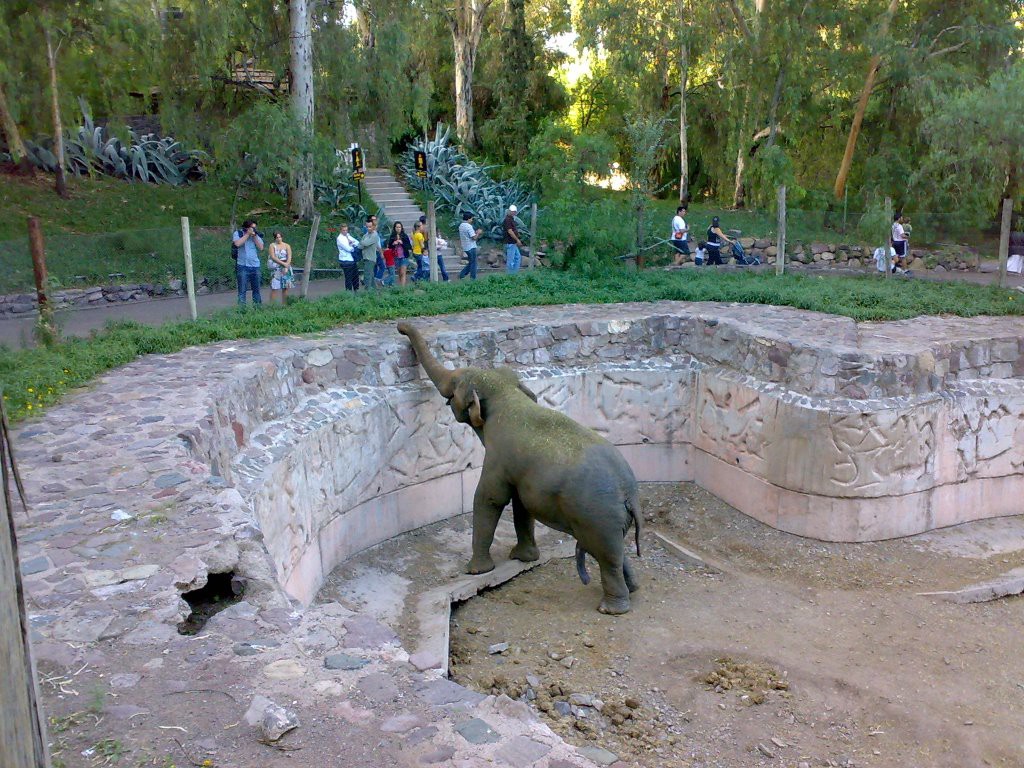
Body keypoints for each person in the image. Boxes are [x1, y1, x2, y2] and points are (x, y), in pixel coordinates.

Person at [232, 218, 264, 305]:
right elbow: (237, 244)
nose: (253, 229)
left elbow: (261, 247)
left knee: (256, 290)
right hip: (242, 266)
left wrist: (254, 236)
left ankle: (257, 309)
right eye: (252, 228)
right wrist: (247, 234)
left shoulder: (256, 235)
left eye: (254, 228)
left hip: (255, 266)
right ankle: (242, 311)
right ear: (246, 227)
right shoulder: (238, 233)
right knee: (242, 290)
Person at [268, 231, 293, 304]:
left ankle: (285, 304)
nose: (279, 239)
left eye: (280, 237)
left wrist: (286, 265)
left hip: (286, 267)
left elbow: (289, 256)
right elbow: (273, 257)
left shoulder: (287, 245)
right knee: (274, 287)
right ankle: (272, 305)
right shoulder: (272, 245)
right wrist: (283, 264)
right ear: (275, 238)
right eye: (277, 237)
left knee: (285, 287)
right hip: (276, 267)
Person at [458, 212, 483, 281]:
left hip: (465, 246)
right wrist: (478, 232)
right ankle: (473, 278)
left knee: (471, 262)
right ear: (468, 219)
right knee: (474, 263)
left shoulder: (461, 225)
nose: (472, 220)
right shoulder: (468, 226)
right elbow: (474, 237)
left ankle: (462, 274)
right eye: (471, 218)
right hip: (471, 246)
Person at [336, 222, 360, 291]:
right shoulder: (340, 238)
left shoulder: (348, 236)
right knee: (348, 278)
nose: (345, 232)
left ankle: (356, 291)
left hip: (352, 259)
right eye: (343, 230)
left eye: (346, 230)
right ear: (340, 230)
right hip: (345, 260)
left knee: (355, 276)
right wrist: (353, 245)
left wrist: (352, 243)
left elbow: (357, 242)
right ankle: (348, 292)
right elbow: (348, 249)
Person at [359, 216, 381, 290]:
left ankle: (367, 293)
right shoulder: (366, 235)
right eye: (367, 227)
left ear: (373, 226)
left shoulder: (375, 235)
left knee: (367, 277)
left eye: (370, 227)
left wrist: (362, 242)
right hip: (366, 257)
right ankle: (376, 292)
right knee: (371, 277)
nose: (368, 228)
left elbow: (365, 243)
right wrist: (363, 243)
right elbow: (360, 246)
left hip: (370, 258)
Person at [388, 222, 413, 286]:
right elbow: (389, 246)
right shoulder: (392, 236)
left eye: (399, 227)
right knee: (399, 273)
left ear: (401, 228)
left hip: (404, 256)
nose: (398, 229)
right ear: (394, 228)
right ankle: (400, 286)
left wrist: (402, 243)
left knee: (403, 272)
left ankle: (403, 288)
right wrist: (394, 243)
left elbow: (409, 246)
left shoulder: (404, 236)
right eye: (397, 227)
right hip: (396, 256)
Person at [503, 204, 524, 274]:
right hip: (510, 242)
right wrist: (517, 240)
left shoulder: (511, 219)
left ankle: (514, 274)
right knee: (511, 260)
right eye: (512, 211)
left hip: (513, 243)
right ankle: (510, 276)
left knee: (517, 257)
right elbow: (510, 231)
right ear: (509, 211)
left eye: (514, 211)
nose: (513, 212)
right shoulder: (507, 220)